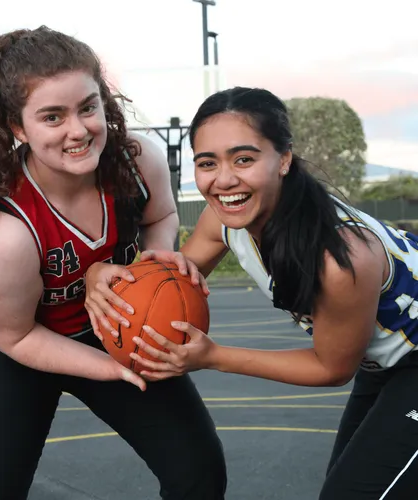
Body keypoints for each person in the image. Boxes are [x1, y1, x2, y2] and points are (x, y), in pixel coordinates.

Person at [0, 26, 227, 500]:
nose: (78, 129)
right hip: (7, 347)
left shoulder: (136, 161)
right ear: (18, 128)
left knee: (200, 472)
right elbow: (17, 336)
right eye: (52, 116)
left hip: (106, 322)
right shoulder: (5, 228)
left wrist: (157, 254)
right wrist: (116, 369)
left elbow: (163, 215)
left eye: (88, 107)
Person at [90, 87, 418, 499]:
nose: (224, 179)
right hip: (387, 365)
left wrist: (214, 357)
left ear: (283, 159)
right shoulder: (222, 220)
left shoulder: (340, 257)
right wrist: (97, 276)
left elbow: (332, 368)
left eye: (243, 159)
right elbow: (168, 283)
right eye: (207, 163)